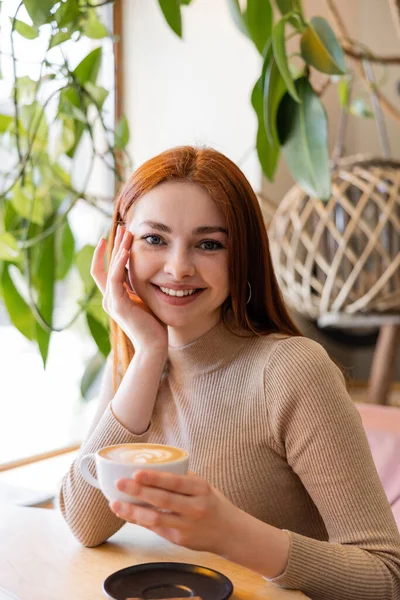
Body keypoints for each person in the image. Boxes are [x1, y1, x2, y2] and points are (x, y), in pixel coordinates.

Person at [59, 145, 400, 600]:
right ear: (122, 249)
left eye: (209, 244)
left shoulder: (291, 371)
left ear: (242, 257)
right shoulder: (135, 360)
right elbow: (86, 523)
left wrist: (230, 533)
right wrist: (147, 354)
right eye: (155, 239)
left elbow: (387, 577)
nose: (178, 267)